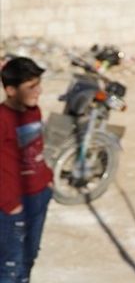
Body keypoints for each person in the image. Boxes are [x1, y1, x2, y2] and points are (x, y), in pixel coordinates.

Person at [1, 57, 53, 283]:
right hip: (12, 206)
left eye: (38, 84)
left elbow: (36, 148)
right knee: (11, 266)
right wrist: (9, 203)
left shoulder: (34, 111)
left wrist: (48, 180)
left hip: (39, 196)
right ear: (11, 90)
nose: (38, 91)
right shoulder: (2, 119)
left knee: (30, 257)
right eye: (31, 87)